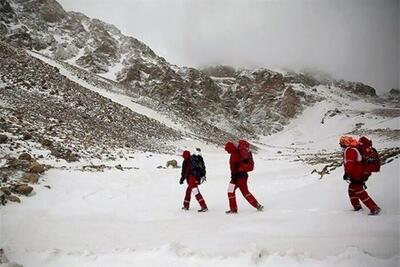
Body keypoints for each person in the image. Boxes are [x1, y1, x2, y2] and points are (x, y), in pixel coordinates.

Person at [339, 136, 381, 215]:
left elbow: (350, 163)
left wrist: (346, 173)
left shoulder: (350, 150)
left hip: (357, 174)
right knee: (351, 190)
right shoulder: (353, 148)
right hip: (360, 173)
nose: (340, 145)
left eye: (341, 143)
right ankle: (357, 207)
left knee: (359, 190)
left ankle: (374, 208)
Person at [224, 141, 263, 214]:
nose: (227, 151)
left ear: (230, 148)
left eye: (227, 149)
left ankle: (233, 209)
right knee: (245, 192)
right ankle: (257, 205)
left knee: (230, 191)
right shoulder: (238, 152)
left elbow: (234, 168)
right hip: (244, 176)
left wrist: (234, 178)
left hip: (237, 177)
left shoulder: (235, 155)